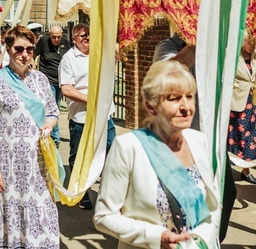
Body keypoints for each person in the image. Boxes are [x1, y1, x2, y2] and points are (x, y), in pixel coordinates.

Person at [94, 60, 221, 248]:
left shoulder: (198, 141)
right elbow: (104, 216)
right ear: (151, 107)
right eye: (174, 98)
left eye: (189, 96)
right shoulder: (128, 147)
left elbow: (214, 205)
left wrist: (200, 240)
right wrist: (156, 236)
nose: (186, 106)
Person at [0, 25, 59, 248]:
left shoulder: (40, 80)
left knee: (40, 212)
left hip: (37, 165)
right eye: (19, 49)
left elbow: (52, 112)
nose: (25, 54)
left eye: (29, 49)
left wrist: (49, 125)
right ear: (8, 49)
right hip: (5, 165)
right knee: (6, 214)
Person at [152, 33, 235, 242]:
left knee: (226, 193)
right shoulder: (167, 46)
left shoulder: (214, 47)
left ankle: (209, 241)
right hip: (180, 142)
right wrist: (199, 41)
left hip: (210, 139)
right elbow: (169, 72)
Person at [59, 22, 116, 209]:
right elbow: (66, 88)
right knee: (80, 157)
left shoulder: (101, 52)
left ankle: (109, 195)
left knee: (111, 153)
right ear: (75, 39)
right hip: (81, 117)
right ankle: (80, 192)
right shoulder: (69, 59)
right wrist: (90, 100)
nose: (88, 38)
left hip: (105, 116)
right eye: (83, 35)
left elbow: (120, 52)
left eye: (90, 34)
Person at [228, 31, 256, 184]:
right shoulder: (233, 57)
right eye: (251, 42)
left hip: (253, 102)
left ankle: (246, 171)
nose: (253, 46)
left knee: (252, 138)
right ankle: (227, 171)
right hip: (237, 103)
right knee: (237, 137)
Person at [35, 25, 70, 145]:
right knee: (52, 107)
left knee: (57, 106)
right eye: (53, 37)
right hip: (47, 80)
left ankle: (51, 131)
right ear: (49, 36)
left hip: (60, 81)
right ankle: (55, 137)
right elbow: (33, 55)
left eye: (58, 37)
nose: (56, 40)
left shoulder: (66, 43)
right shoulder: (43, 41)